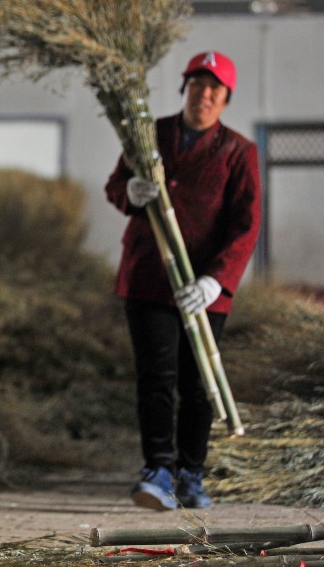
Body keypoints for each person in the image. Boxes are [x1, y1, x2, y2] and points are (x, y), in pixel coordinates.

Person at [104, 51, 261, 511]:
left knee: (198, 383)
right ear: (184, 89)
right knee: (156, 377)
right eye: (196, 85)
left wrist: (217, 280)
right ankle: (158, 471)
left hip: (204, 285)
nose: (204, 95)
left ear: (226, 99)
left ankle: (191, 473)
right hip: (150, 277)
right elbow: (116, 185)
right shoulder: (148, 135)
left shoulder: (238, 152)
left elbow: (246, 225)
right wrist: (130, 193)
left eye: (214, 89)